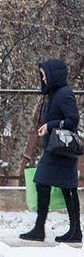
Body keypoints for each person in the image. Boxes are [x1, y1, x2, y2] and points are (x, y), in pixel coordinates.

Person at [20, 59, 81, 243]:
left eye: (44, 74)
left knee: (60, 186)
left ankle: (68, 230)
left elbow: (73, 120)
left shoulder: (63, 94)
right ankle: (70, 230)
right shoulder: (55, 94)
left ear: (53, 75)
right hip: (56, 149)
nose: (43, 78)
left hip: (61, 150)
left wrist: (50, 125)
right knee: (57, 186)